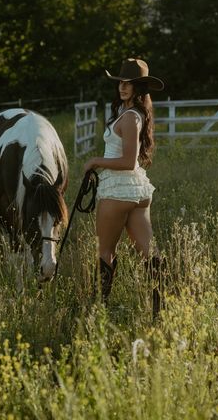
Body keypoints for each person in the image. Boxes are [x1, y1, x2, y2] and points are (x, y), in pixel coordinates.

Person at [83, 58, 165, 317]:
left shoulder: (130, 118)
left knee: (105, 251)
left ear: (139, 88)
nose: (123, 87)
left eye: (129, 83)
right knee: (149, 253)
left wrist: (96, 161)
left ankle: (98, 309)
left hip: (118, 191)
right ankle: (160, 309)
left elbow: (128, 161)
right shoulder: (133, 114)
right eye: (121, 82)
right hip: (136, 194)